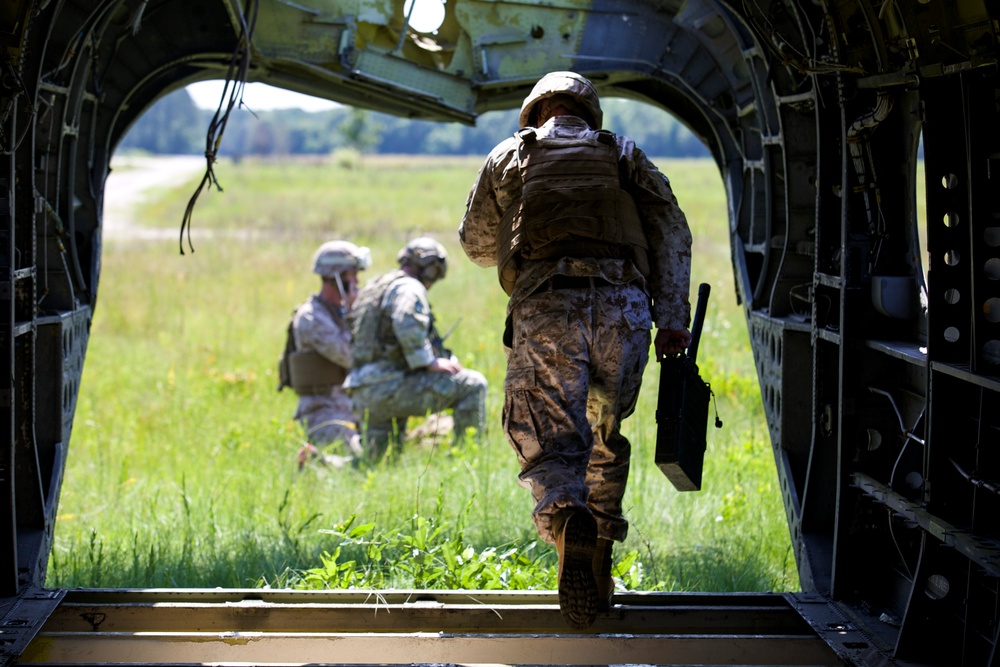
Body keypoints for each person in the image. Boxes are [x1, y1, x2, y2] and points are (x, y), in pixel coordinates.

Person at [459, 71, 693, 629]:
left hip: (549, 307)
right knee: (603, 435)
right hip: (624, 313)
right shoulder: (625, 154)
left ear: (534, 113)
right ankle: (601, 554)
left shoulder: (509, 157)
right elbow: (671, 230)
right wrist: (673, 320)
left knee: (546, 441)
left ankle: (568, 527)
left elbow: (476, 243)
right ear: (591, 114)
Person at [344, 237, 488, 462]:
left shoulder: (376, 286)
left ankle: (319, 463)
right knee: (473, 385)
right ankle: (465, 462)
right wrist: (428, 361)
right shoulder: (410, 287)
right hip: (392, 387)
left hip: (364, 390)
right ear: (430, 268)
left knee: (376, 463)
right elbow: (405, 319)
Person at [280, 240, 371, 468]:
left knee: (386, 450)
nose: (358, 282)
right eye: (353, 276)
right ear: (338, 279)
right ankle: (314, 463)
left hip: (352, 410)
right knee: (363, 460)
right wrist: (354, 314)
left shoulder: (339, 313)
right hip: (324, 413)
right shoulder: (312, 319)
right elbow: (351, 356)